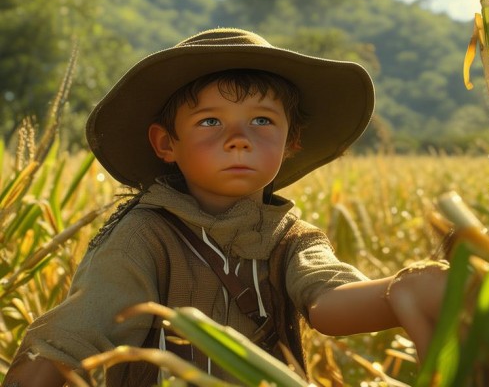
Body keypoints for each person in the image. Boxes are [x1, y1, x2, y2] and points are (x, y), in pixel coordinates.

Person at [3, 28, 448, 386]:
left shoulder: (291, 238)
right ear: (165, 143)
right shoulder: (144, 235)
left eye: (262, 121)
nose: (239, 139)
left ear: (291, 141)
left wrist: (400, 289)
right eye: (210, 121)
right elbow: (71, 337)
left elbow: (327, 301)